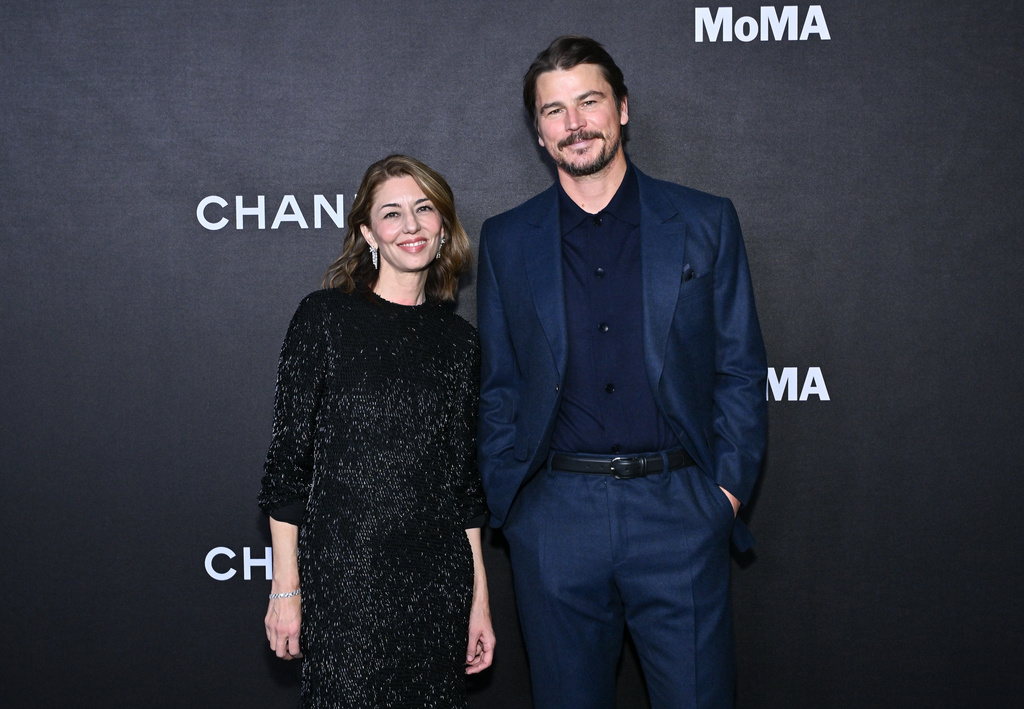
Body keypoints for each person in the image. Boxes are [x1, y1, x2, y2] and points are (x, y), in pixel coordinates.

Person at [476, 36, 766, 708]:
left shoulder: (703, 221)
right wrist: (516, 505)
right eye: (554, 110)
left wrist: (722, 493)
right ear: (540, 134)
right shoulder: (507, 239)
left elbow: (741, 367)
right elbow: (499, 386)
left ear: (623, 108)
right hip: (556, 520)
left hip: (680, 512)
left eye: (589, 101)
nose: (574, 123)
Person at [259, 154, 495, 708]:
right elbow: (286, 469)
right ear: (368, 232)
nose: (410, 226)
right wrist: (286, 588)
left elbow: (464, 487)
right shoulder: (324, 318)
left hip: (438, 583)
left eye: (424, 209)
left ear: (443, 225)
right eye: (392, 214)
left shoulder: (458, 342)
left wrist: (478, 598)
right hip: (346, 582)